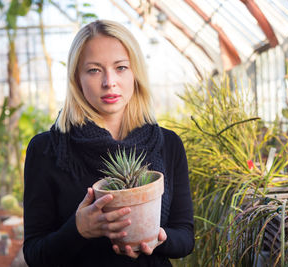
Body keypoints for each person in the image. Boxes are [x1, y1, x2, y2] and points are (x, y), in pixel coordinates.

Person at [23, 20, 194, 267]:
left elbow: (185, 236)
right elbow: (34, 253)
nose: (109, 82)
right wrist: (78, 229)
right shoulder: (47, 149)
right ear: (76, 78)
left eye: (121, 67)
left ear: (135, 73)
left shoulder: (168, 144)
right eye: (94, 70)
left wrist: (159, 238)